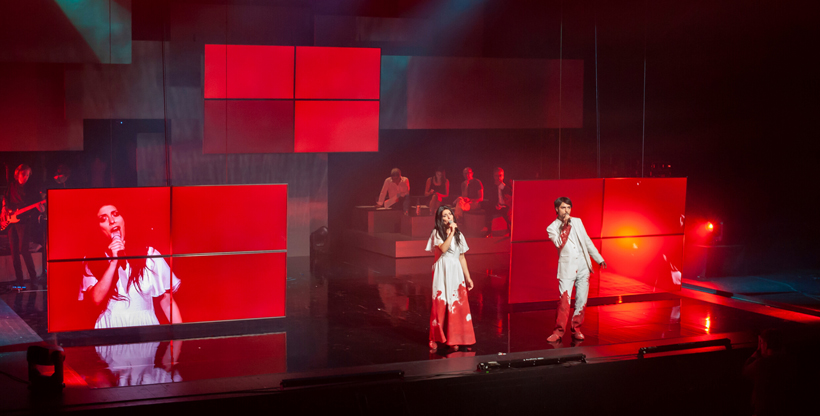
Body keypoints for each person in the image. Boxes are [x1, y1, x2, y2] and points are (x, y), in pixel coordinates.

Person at [79, 204, 182, 329]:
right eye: (103, 219)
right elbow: (96, 299)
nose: (112, 221)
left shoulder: (149, 255)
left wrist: (178, 338)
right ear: (98, 228)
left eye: (115, 214)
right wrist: (113, 262)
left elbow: (166, 300)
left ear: (124, 219)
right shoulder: (92, 260)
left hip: (145, 329)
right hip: (109, 329)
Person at [546, 197, 607, 342]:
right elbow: (559, 243)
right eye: (563, 208)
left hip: (583, 266)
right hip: (567, 267)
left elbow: (587, 241)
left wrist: (598, 258)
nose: (566, 211)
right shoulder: (552, 227)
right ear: (557, 209)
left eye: (568, 207)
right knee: (564, 301)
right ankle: (558, 332)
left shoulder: (578, 221)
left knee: (581, 300)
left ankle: (577, 329)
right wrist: (565, 227)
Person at [425, 205, 475, 351]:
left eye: (450, 214)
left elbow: (462, 257)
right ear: (440, 219)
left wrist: (468, 277)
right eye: (445, 216)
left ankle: (455, 338)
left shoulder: (459, 235)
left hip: (456, 271)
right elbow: (443, 248)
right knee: (440, 304)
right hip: (442, 270)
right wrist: (452, 232)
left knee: (456, 304)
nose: (448, 217)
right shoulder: (437, 233)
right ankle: (435, 337)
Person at [2, 164, 45, 289]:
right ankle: (19, 280)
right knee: (14, 252)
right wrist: (4, 209)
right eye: (23, 174)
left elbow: (40, 206)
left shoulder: (32, 188)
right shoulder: (11, 185)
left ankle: (33, 278)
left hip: (24, 222)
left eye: (27, 175)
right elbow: (5, 198)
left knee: (24, 250)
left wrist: (42, 209)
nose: (25, 177)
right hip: (11, 221)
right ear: (17, 174)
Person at [482, 167, 513, 237]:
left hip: (505, 207)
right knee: (488, 210)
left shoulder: (507, 186)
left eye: (500, 175)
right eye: (496, 176)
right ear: (494, 176)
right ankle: (488, 230)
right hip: (496, 207)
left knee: (509, 215)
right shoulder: (492, 187)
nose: (498, 177)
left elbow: (511, 196)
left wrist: (502, 186)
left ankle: (512, 232)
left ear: (503, 176)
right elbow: (490, 199)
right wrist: (496, 205)